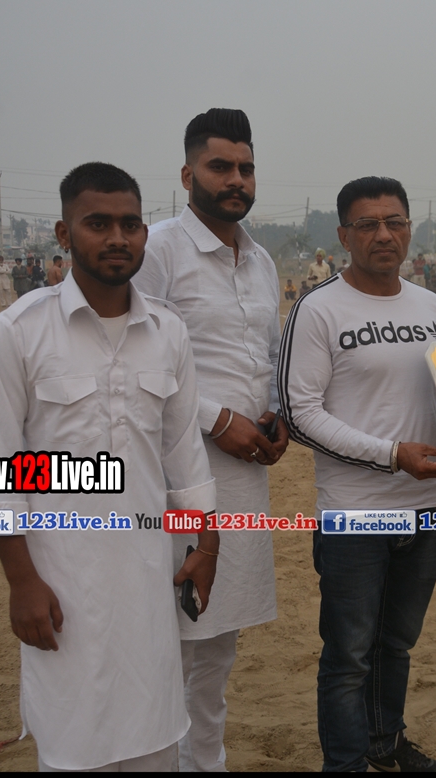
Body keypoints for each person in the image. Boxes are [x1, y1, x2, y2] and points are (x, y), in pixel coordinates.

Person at [0, 162, 219, 771]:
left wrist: (207, 546)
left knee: (156, 739)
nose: (116, 238)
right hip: (60, 586)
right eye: (97, 223)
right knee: (72, 743)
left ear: (144, 233)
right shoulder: (16, 332)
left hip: (148, 582)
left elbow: (184, 454)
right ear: (64, 233)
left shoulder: (168, 331)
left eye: (130, 224)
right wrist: (22, 583)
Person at [279, 176, 436, 772]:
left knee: (397, 644)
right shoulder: (318, 308)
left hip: (426, 505)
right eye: (367, 224)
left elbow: (434, 393)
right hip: (354, 512)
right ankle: (346, 763)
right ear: (343, 236)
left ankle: (385, 744)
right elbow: (300, 415)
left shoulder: (429, 304)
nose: (384, 235)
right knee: (349, 656)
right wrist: (391, 455)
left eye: (395, 222)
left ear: (409, 229)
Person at [132, 108, 287, 772]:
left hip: (245, 474)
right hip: (173, 470)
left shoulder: (262, 260)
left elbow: (267, 354)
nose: (236, 179)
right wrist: (218, 420)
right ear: (187, 173)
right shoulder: (159, 251)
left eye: (246, 168)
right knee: (170, 639)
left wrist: (275, 415)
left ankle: (207, 761)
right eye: (220, 166)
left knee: (219, 639)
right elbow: (135, 359)